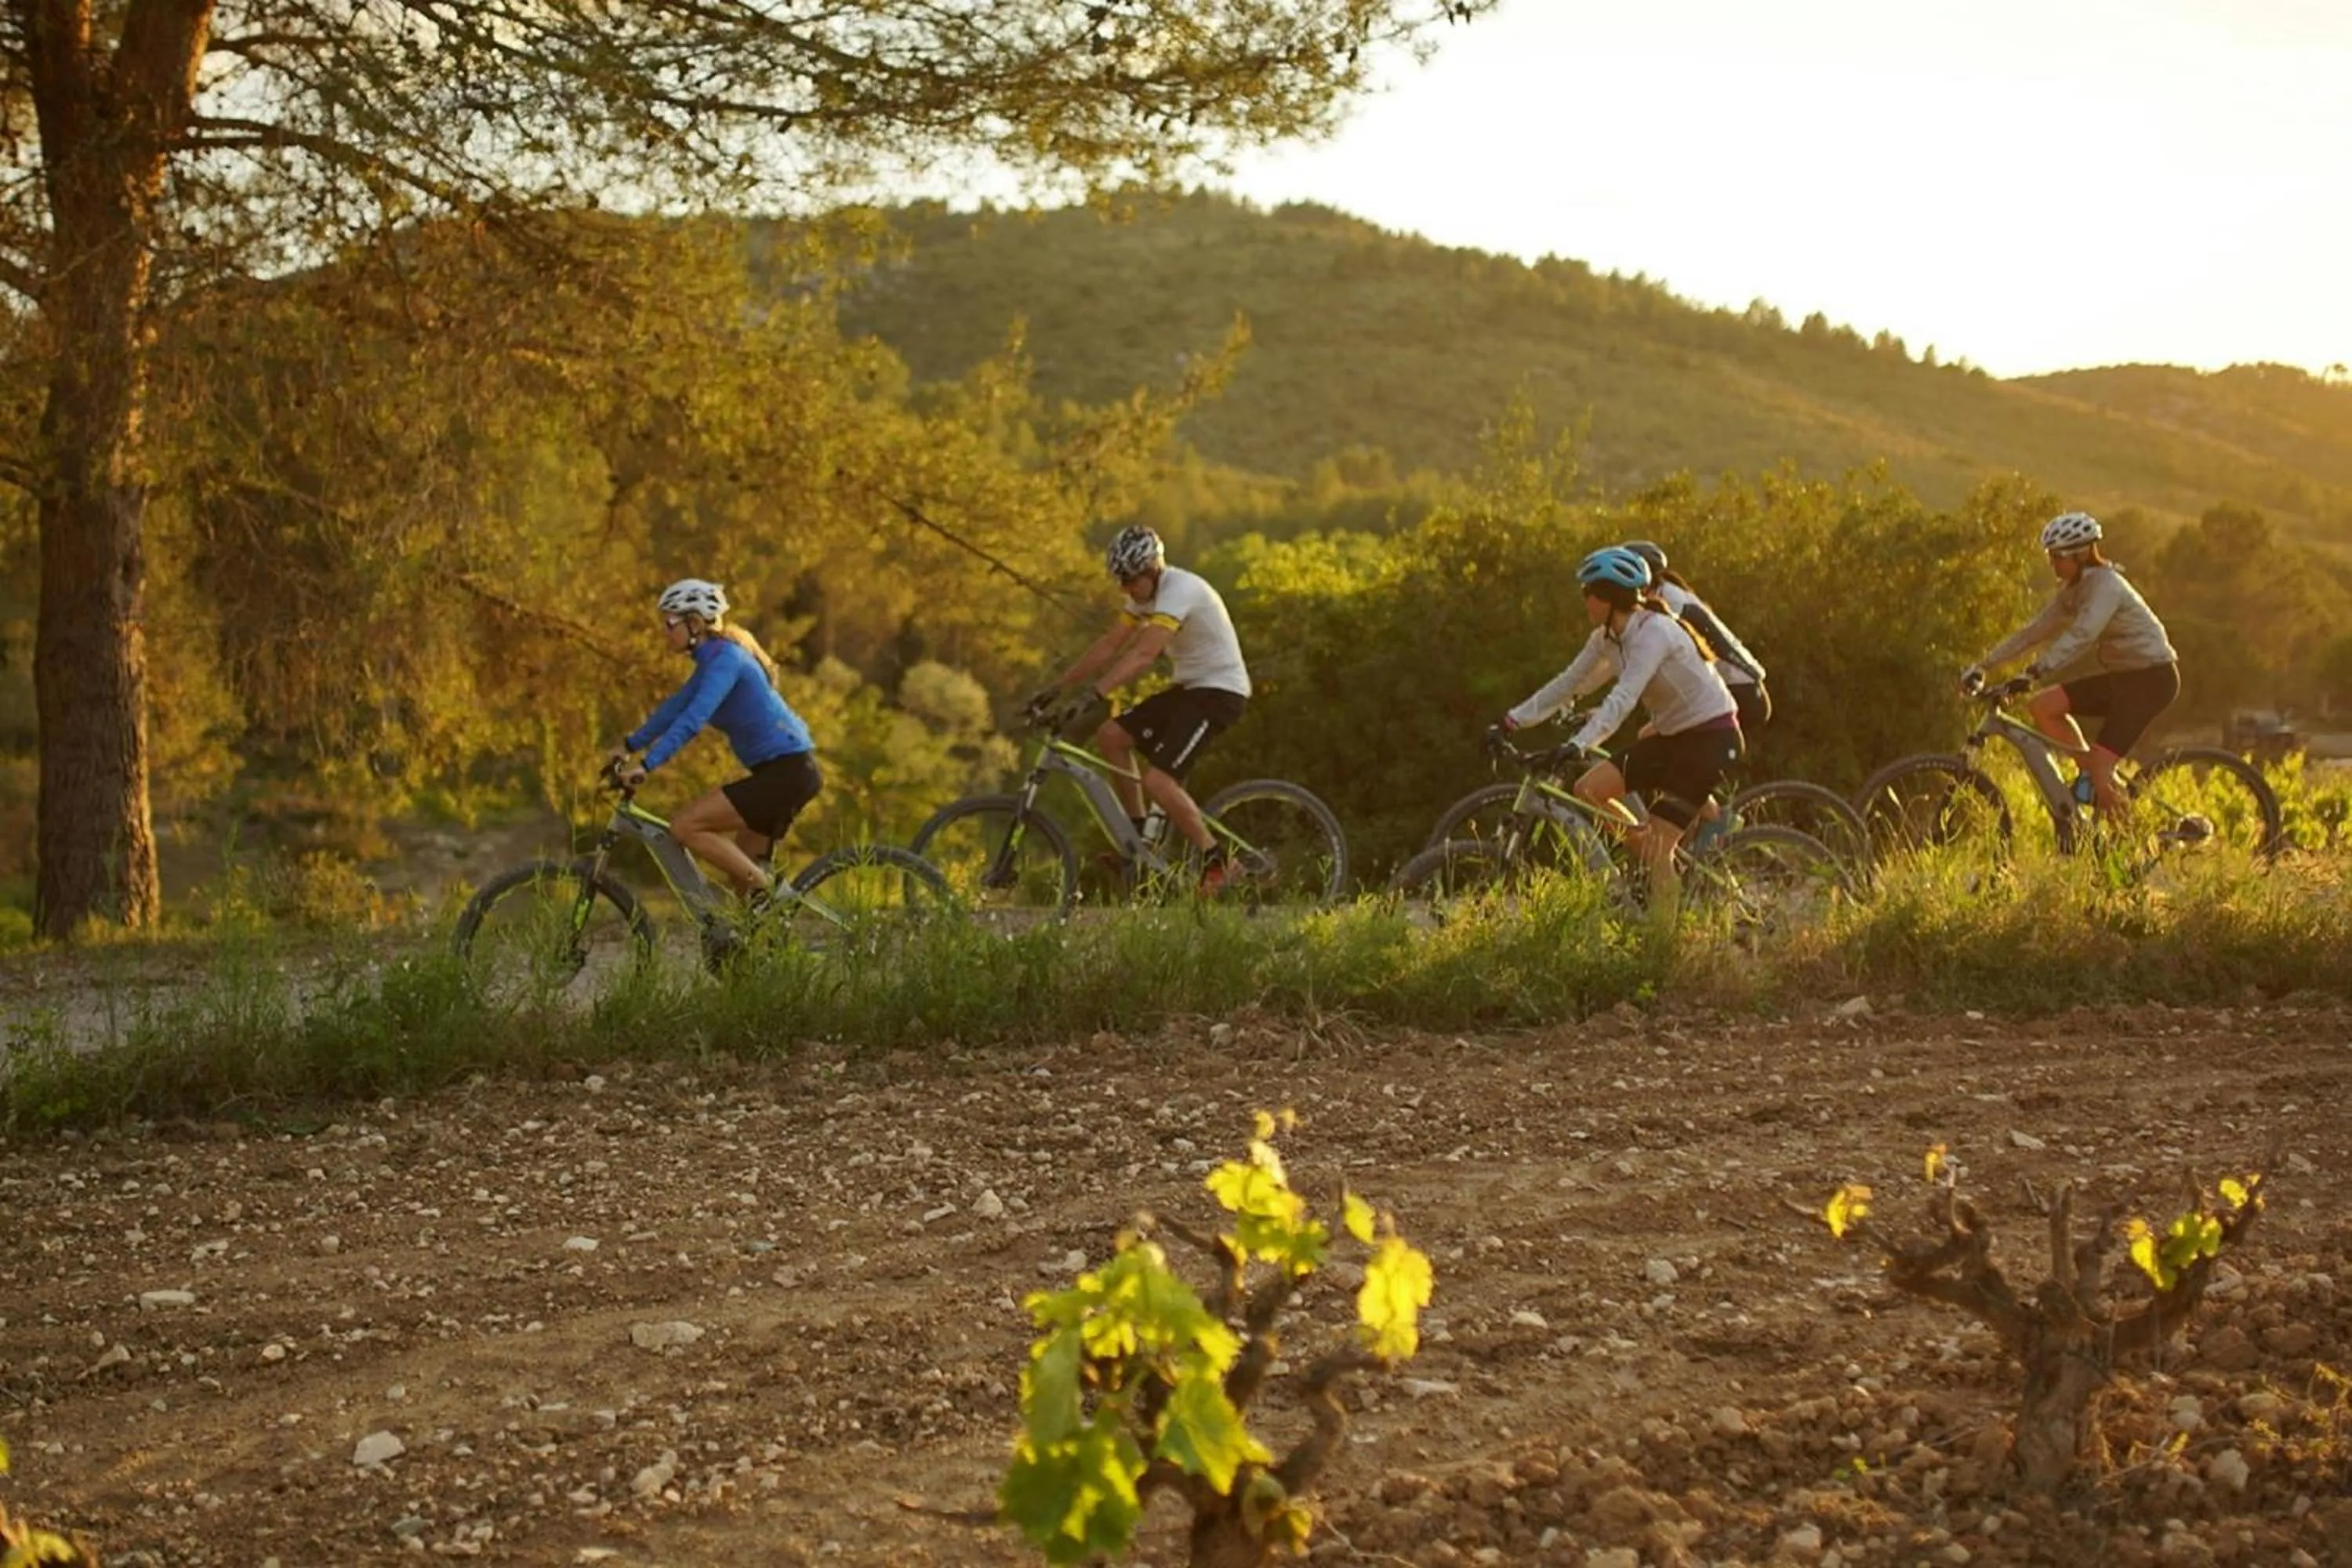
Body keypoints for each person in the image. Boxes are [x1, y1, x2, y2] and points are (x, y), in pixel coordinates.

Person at [1495, 545, 1741, 920]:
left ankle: (1663, 950)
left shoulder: (1655, 632)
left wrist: (1578, 745)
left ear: (1610, 597)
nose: (1584, 600)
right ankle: (1665, 864)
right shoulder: (1608, 638)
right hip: (1672, 736)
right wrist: (1510, 721)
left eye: (1588, 593)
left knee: (1660, 849)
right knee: (1589, 791)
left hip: (1710, 737)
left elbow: (1622, 699)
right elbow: (1569, 683)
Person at [1028, 526, 1251, 894]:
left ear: (1152, 569)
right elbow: (1110, 644)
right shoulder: (1145, 596)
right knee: (1111, 736)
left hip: (1220, 693)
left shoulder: (1181, 591)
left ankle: (1220, 862)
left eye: (1129, 580)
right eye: (1120, 582)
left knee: (1158, 781)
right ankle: (1140, 843)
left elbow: (1144, 654)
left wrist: (1093, 696)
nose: (1125, 589)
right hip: (1190, 689)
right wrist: (1056, 688)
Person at [608, 579, 819, 906]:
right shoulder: (713, 661)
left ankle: (774, 894)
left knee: (685, 827)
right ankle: (756, 948)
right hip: (777, 773)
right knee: (743, 886)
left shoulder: (727, 661)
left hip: (787, 773)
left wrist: (648, 765)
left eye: (669, 623)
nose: (665, 632)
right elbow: (674, 709)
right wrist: (629, 744)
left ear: (695, 622)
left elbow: (692, 720)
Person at [1958, 511, 2178, 818]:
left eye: (2057, 556)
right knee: (2043, 706)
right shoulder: (2073, 590)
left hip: (2151, 680)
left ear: (2081, 554)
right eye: (2050, 556)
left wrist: (2034, 672)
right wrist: (1983, 665)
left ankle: (2133, 843)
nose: (2052, 563)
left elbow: (2081, 636)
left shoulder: (2107, 587)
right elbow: (2033, 632)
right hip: (2123, 677)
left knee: (2102, 769)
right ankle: (2092, 774)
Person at [1621, 539, 1771, 737]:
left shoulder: (1670, 601)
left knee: (1650, 738)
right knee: (1652, 740)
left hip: (1740, 691)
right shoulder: (1661, 595)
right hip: (1735, 691)